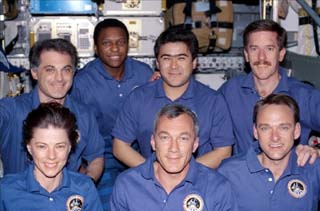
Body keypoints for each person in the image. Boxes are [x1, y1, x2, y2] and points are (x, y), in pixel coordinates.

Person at [112, 27, 235, 170]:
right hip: (150, 184)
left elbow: (223, 151)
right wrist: (153, 172)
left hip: (200, 183)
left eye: (181, 58)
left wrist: (186, 174)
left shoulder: (213, 101)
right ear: (157, 63)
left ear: (194, 62)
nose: (174, 66)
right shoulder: (138, 98)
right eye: (166, 58)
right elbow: (119, 146)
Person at [70, 18, 155, 210]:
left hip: (139, 155)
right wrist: (78, 166)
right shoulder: (82, 82)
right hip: (101, 159)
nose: (115, 48)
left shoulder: (143, 73)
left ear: (128, 44)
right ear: (96, 47)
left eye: (120, 42)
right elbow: (72, 128)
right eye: (107, 43)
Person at [0, 38, 104, 182]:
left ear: (74, 73)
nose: (59, 78)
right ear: (35, 73)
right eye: (50, 69)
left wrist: (86, 186)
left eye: (66, 70)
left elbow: (96, 157)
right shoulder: (12, 110)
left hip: (65, 200)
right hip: (18, 201)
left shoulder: (84, 115)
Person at [218, 19, 320, 157]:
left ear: (281, 53)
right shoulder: (231, 91)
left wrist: (317, 150)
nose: (261, 57)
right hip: (243, 176)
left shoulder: (304, 95)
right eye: (254, 49)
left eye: (269, 49)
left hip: (290, 176)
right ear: (246, 55)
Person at [111, 104, 237, 211]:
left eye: (183, 139)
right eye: (165, 138)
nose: (173, 148)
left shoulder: (218, 188)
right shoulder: (127, 184)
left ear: (195, 144)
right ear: (153, 142)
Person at [217, 94, 320, 211]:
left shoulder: (312, 168)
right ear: (256, 132)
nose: (275, 137)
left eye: (284, 128)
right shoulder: (229, 172)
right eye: (265, 128)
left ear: (296, 131)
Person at [0, 102, 103, 211]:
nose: (51, 156)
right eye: (42, 146)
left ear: (69, 147)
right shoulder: (6, 191)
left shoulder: (84, 188)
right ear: (29, 148)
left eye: (59, 146)